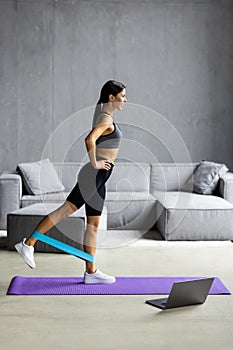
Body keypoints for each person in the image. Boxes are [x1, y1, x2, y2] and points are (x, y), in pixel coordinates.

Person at [15, 80, 127, 284]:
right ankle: (28, 243)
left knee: (93, 225)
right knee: (65, 210)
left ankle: (91, 272)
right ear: (111, 97)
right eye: (122, 96)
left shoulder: (105, 115)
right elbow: (89, 139)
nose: (125, 100)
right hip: (93, 177)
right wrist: (95, 163)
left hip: (99, 179)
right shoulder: (105, 118)